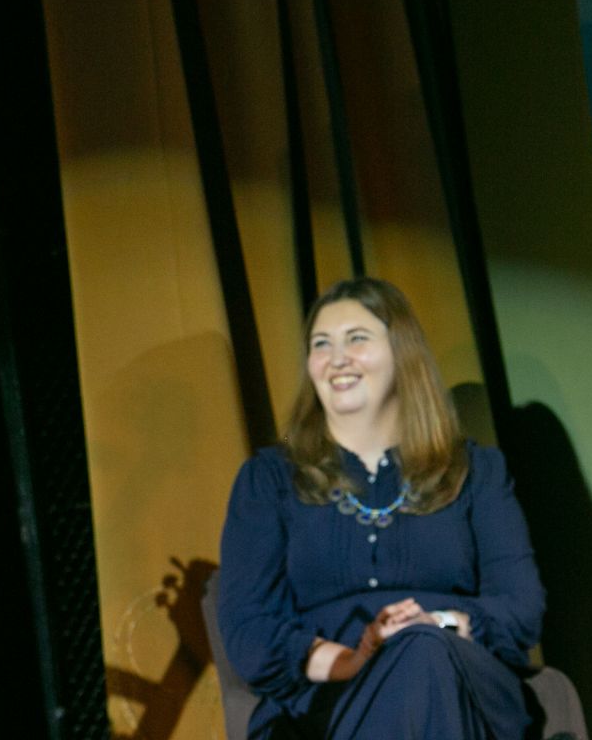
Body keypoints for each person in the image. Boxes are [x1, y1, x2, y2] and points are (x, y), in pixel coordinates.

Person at [216, 277, 545, 739]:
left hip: (461, 684)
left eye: (357, 339)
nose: (337, 359)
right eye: (321, 344)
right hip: (330, 700)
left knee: (421, 651)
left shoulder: (477, 472)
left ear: (402, 353)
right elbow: (248, 627)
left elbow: (520, 607)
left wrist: (438, 624)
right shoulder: (269, 481)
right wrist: (353, 660)